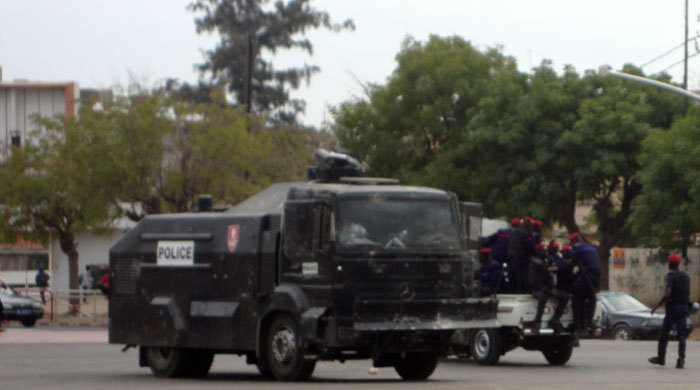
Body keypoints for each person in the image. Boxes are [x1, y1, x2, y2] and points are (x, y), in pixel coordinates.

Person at [649, 254, 691, 369]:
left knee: (664, 334)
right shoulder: (686, 276)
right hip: (684, 308)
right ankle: (681, 360)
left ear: (671, 264)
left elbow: (667, 293)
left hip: (673, 309)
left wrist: (656, 306)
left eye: (669, 262)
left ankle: (661, 358)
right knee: (682, 336)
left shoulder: (671, 276)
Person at [528, 243, 569, 334]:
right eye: (543, 250)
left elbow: (550, 277)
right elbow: (533, 281)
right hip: (538, 289)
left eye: (546, 250)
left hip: (547, 288)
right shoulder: (534, 264)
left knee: (565, 297)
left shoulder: (546, 262)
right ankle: (537, 323)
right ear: (538, 252)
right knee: (543, 297)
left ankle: (555, 320)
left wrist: (553, 287)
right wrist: (546, 289)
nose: (545, 252)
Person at [568, 232, 601, 334]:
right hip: (597, 274)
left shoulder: (576, 248)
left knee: (577, 298)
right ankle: (589, 321)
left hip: (587, 275)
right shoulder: (591, 246)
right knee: (591, 298)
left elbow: (572, 263)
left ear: (574, 240)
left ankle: (579, 323)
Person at [482, 219, 519, 292]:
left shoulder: (502, 232)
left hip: (494, 256)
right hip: (505, 259)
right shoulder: (516, 235)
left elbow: (487, 240)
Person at [507, 216, 535, 293]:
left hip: (511, 261)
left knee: (512, 282)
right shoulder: (526, 234)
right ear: (528, 225)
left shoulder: (512, 232)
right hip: (522, 262)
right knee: (522, 282)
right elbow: (531, 247)